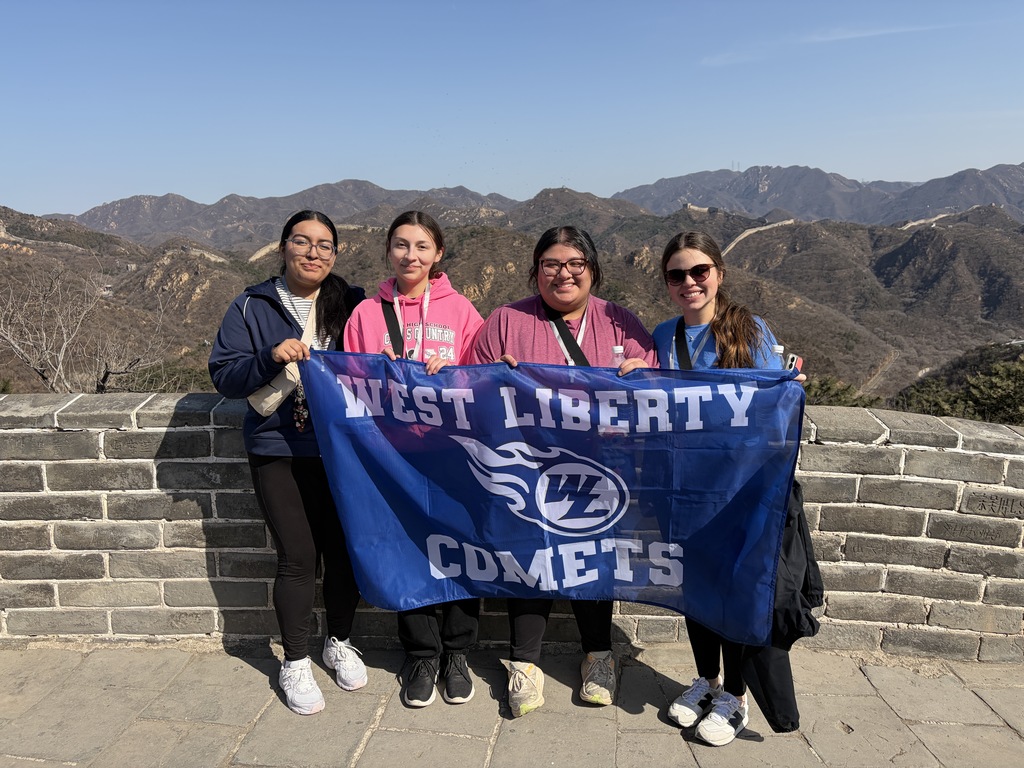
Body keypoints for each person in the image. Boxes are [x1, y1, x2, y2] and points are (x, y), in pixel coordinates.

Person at [470, 225, 657, 717]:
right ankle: (525, 663)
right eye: (551, 265)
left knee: (593, 556)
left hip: (603, 465)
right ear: (536, 272)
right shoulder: (506, 321)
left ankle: (598, 657)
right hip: (529, 462)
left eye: (575, 264)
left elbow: (657, 389)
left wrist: (642, 374)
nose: (563, 274)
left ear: (593, 270)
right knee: (527, 557)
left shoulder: (622, 324)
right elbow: (468, 390)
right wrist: (494, 379)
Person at [209, 210, 367, 715]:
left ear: (336, 254)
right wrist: (270, 357)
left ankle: (338, 641)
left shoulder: (352, 303)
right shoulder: (252, 305)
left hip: (343, 450)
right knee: (298, 557)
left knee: (344, 553)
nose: (313, 253)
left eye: (324, 245)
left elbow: (381, 358)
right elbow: (225, 376)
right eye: (302, 242)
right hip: (278, 447)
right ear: (283, 247)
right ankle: (295, 660)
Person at [343, 210, 484, 707]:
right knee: (409, 549)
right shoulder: (365, 314)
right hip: (392, 455)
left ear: (438, 253)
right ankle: (422, 653)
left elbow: (484, 377)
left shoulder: (461, 310)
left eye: (422, 246)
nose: (411, 255)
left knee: (464, 546)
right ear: (388, 250)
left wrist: (457, 369)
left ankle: (457, 652)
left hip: (453, 452)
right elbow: (349, 382)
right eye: (401, 245)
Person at [651, 229, 784, 746]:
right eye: (677, 275)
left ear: (718, 274)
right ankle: (704, 681)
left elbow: (772, 406)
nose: (689, 282)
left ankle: (735, 695)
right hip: (683, 486)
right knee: (693, 587)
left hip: (738, 487)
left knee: (734, 589)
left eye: (699, 272)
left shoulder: (748, 331)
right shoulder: (664, 336)